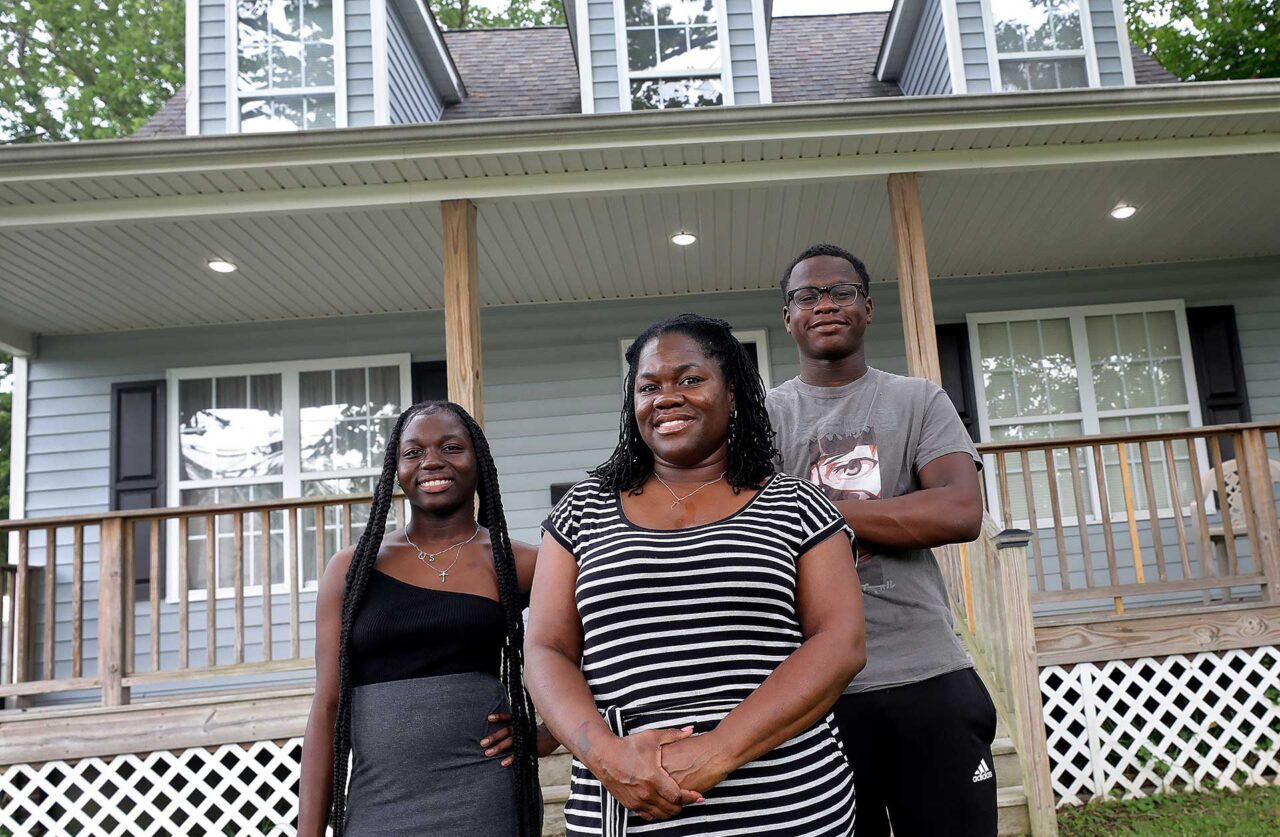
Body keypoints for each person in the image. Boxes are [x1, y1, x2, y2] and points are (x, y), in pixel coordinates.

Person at [526, 313, 865, 836]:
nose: (667, 397)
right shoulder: (582, 510)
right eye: (649, 386)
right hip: (624, 806)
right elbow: (547, 648)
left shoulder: (796, 504)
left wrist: (717, 751)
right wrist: (606, 757)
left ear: (732, 394)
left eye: (690, 379)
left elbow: (840, 643)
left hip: (786, 808)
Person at [767, 243, 992, 837]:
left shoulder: (917, 400)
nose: (824, 304)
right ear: (788, 317)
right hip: (814, 689)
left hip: (928, 673)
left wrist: (812, 507)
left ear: (867, 309)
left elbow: (959, 511)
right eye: (806, 296)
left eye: (841, 292)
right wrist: (888, 513)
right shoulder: (761, 419)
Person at [297, 400, 554, 837]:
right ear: (395, 470)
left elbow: (593, 650)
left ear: (480, 462)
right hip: (379, 801)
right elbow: (326, 708)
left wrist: (543, 736)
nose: (431, 461)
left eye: (451, 447)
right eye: (413, 452)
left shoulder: (521, 562)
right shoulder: (351, 570)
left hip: (482, 795)